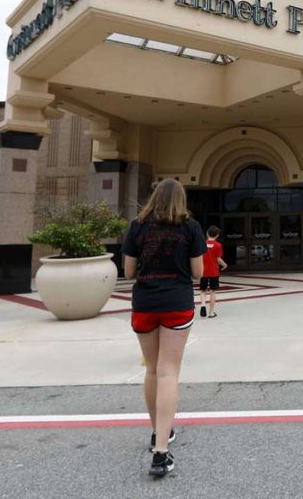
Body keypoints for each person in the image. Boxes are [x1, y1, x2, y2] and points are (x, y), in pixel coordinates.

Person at [122, 179, 206, 478]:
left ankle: (157, 431)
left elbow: (129, 271)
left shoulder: (137, 226)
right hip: (177, 301)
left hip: (144, 302)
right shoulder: (191, 228)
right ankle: (161, 452)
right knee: (169, 370)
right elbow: (198, 272)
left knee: (152, 370)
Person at [199, 225, 227, 318]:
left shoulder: (202, 243)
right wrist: (224, 265)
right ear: (217, 235)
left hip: (203, 271)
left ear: (207, 233)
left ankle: (203, 305)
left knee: (203, 290)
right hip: (214, 272)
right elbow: (218, 259)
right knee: (212, 291)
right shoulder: (218, 245)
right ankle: (211, 313)